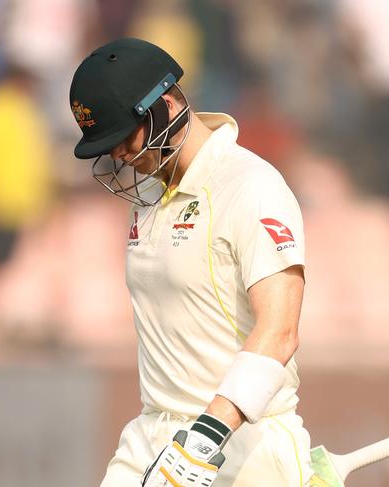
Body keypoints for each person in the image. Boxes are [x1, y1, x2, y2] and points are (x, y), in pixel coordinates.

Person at [70, 38, 313, 487]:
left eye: (123, 137)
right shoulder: (147, 194)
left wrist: (205, 438)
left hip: (238, 443)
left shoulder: (250, 186)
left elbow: (280, 331)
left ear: (163, 106)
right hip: (153, 435)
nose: (119, 155)